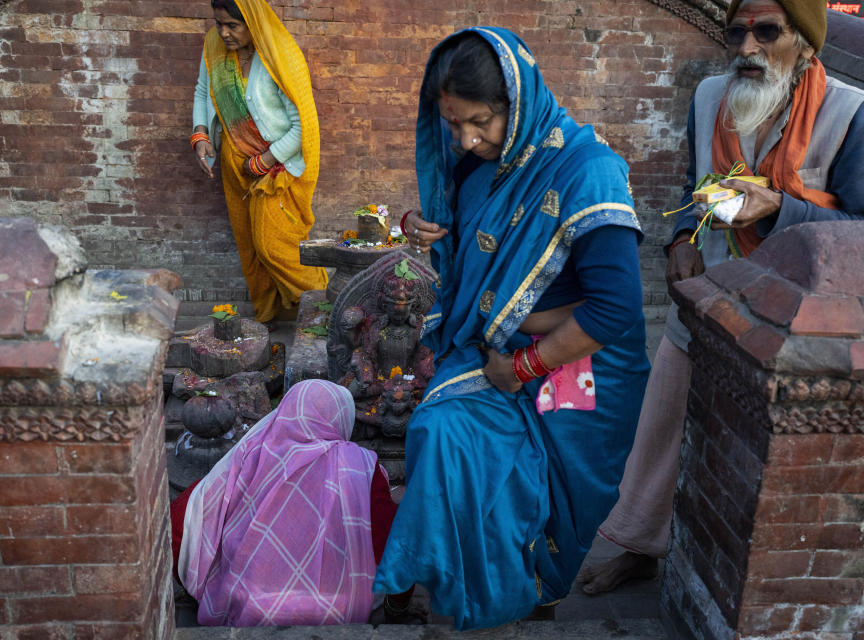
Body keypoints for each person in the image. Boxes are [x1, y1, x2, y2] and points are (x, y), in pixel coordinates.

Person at [579, 0, 864, 595]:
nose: (746, 49)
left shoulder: (850, 112)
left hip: (792, 320)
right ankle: (638, 545)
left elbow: (858, 228)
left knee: (748, 450)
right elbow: (694, 185)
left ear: (805, 44)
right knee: (659, 423)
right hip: (707, 294)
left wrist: (778, 208)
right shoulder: (711, 95)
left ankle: (733, 572)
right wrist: (680, 239)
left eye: (767, 32)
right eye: (736, 32)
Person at [372, 28, 650, 630]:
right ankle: (443, 583)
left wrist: (520, 366)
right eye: (451, 126)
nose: (468, 141)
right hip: (492, 347)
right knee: (439, 439)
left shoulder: (589, 173)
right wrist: (419, 223)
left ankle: (517, 593)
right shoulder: (483, 164)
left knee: (491, 466)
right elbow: (474, 247)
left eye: (480, 123)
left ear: (517, 104)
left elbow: (614, 311)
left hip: (569, 364)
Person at [170, 379, 415, 626]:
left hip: (245, 603)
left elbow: (189, 515)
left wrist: (190, 582)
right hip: (337, 610)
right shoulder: (359, 469)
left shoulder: (255, 452)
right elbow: (396, 549)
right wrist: (396, 610)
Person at [191, 0, 327, 325]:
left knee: (273, 245)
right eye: (218, 23)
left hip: (275, 166)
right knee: (250, 247)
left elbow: (302, 128)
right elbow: (202, 90)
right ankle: (272, 318)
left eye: (232, 26)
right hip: (233, 160)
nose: (223, 33)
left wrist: (263, 161)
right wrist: (200, 135)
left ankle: (324, 308)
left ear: (252, 22)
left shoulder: (281, 56)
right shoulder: (213, 45)